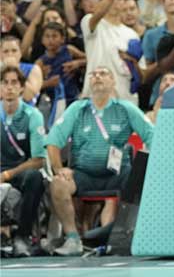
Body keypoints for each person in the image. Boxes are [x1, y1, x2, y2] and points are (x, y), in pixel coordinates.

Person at [45, 66, 155, 256]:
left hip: (119, 174)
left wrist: (151, 164)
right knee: (58, 184)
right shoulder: (77, 109)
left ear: (113, 82)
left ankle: (138, 234)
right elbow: (53, 141)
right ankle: (73, 239)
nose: (97, 77)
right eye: (93, 74)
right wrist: (58, 168)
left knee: (144, 177)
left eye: (103, 73)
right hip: (83, 174)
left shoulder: (125, 108)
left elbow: (152, 136)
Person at [0, 65, 47, 257]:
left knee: (35, 178)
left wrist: (7, 174)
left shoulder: (32, 115)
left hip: (20, 170)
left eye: (14, 83)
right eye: (5, 83)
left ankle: (22, 237)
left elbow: (38, 160)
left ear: (21, 88)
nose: (9, 87)